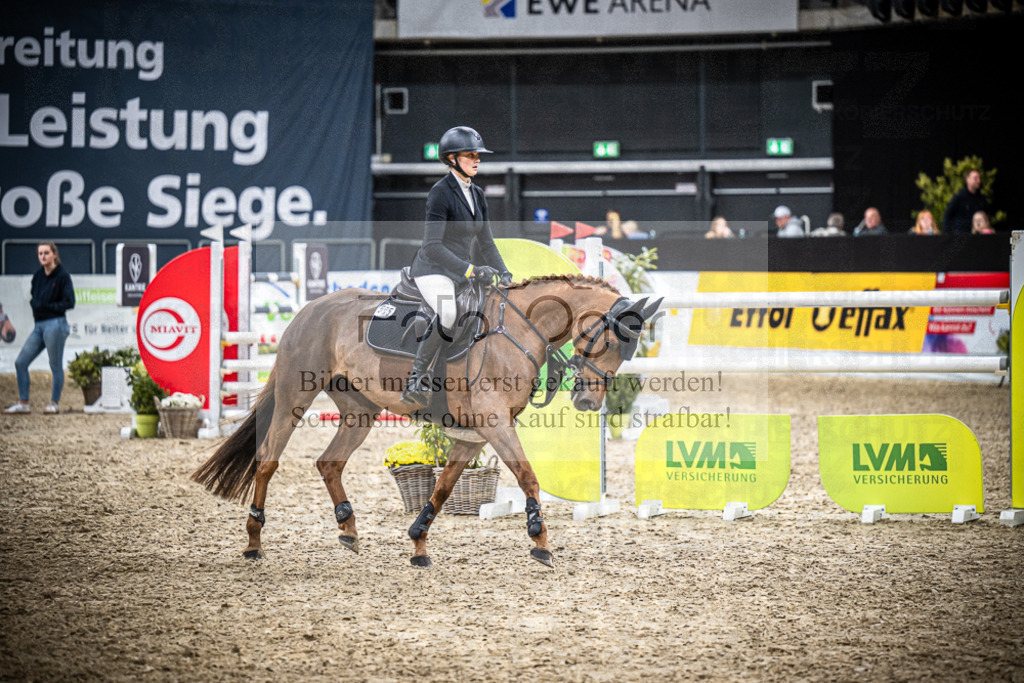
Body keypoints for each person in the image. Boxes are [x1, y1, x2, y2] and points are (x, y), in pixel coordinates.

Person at [401, 126, 512, 408]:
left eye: (478, 156)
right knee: (449, 311)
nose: (477, 160)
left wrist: (504, 270)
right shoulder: (440, 193)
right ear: (451, 159)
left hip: (460, 270)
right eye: (470, 155)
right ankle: (417, 377)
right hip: (433, 269)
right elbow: (432, 246)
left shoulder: (477, 194)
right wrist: (471, 270)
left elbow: (486, 243)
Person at [5, 242, 75, 414]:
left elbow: (69, 302)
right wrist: (39, 305)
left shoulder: (63, 276)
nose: (43, 256)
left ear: (54, 254)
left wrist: (46, 306)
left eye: (46, 253)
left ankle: (54, 403)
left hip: (55, 324)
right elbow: (34, 299)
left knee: (55, 364)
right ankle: (23, 402)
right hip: (39, 325)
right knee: (21, 362)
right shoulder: (38, 276)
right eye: (40, 253)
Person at [943, 168, 988, 235]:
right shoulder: (959, 197)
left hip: (978, 237)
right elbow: (947, 216)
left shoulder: (981, 199)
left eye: (979, 178)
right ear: (968, 179)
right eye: (975, 178)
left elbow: (985, 218)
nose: (978, 181)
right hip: (961, 238)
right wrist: (949, 236)